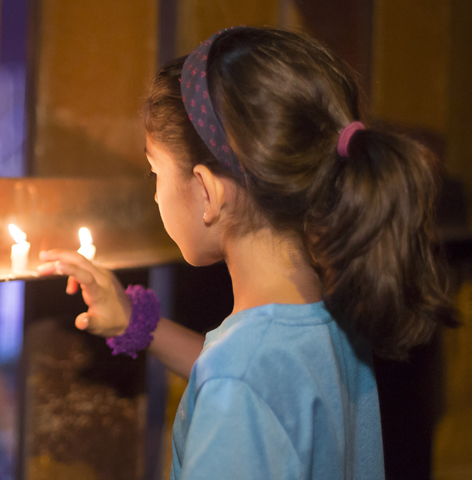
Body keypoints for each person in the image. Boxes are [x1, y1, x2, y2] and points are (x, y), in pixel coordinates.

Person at [38, 27, 457, 479]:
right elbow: (260, 381)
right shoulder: (332, 312)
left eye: (153, 172)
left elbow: (242, 385)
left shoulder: (238, 385)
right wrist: (138, 324)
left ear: (207, 192)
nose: (155, 196)